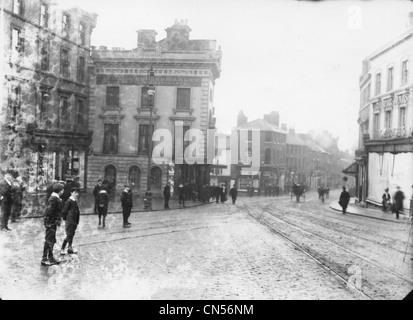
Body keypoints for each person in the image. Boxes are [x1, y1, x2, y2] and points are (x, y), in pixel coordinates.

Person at [41, 183, 64, 266]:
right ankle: (44, 258)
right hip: (51, 223)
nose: (63, 191)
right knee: (49, 240)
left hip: (52, 223)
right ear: (60, 191)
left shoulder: (55, 198)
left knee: (52, 240)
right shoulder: (54, 199)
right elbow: (49, 212)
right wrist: (51, 222)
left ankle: (50, 257)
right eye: (62, 190)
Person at [60, 187, 81, 255]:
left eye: (77, 193)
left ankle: (70, 248)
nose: (77, 194)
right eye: (75, 192)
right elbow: (64, 211)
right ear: (71, 193)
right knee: (69, 235)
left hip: (74, 221)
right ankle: (62, 248)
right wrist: (66, 219)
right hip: (70, 221)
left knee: (71, 235)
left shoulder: (74, 201)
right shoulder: (69, 201)